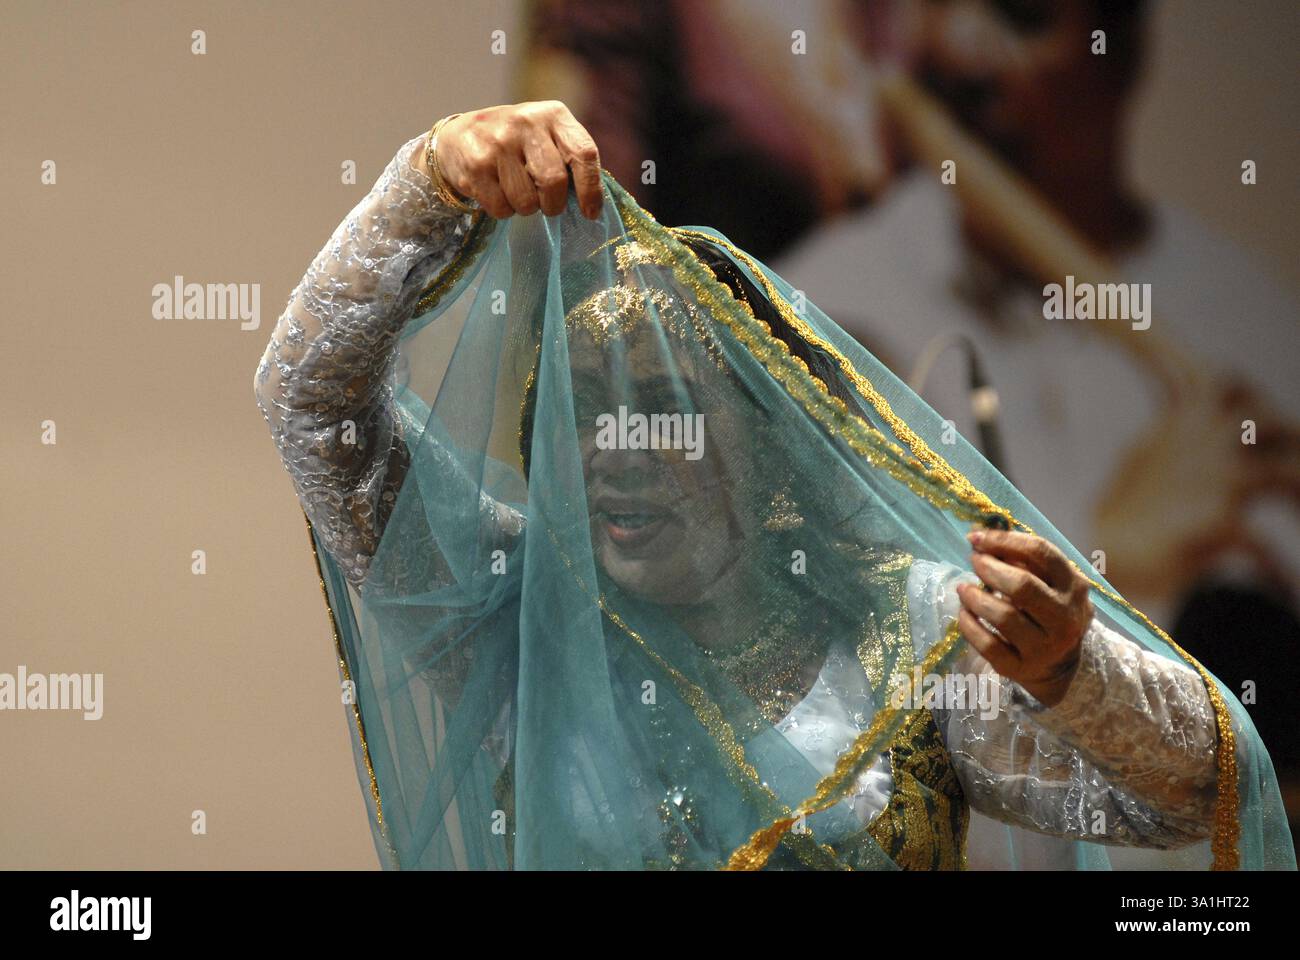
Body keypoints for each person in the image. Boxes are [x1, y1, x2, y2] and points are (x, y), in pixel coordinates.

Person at [253, 101, 1293, 870]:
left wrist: (1069, 674)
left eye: (659, 407)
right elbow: (308, 398)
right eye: (584, 415)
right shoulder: (515, 620)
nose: (611, 450)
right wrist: (429, 175)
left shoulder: (903, 630)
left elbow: (1190, 792)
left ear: (770, 442)